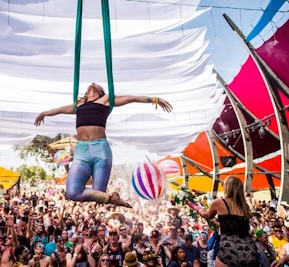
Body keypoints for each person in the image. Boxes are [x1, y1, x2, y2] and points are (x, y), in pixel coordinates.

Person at [34, 82, 172, 207]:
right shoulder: (78, 104)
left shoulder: (106, 100)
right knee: (72, 193)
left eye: (96, 85)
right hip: (81, 151)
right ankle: (112, 198)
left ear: (101, 92)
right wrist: (43, 113)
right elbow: (58, 110)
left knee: (99, 193)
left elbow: (131, 98)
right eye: (89, 85)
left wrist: (154, 100)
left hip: (100, 149)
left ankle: (110, 198)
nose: (92, 83)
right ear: (86, 94)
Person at [199, 176, 260, 267]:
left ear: (228, 187)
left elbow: (207, 215)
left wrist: (199, 210)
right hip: (249, 251)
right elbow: (236, 227)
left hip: (229, 250)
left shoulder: (219, 202)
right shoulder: (244, 206)